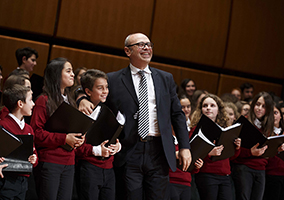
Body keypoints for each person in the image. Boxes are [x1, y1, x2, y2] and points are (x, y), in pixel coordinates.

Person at [78, 33, 191, 199]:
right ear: (127, 51)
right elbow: (86, 86)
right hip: (129, 149)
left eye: (148, 44)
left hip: (159, 150)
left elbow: (177, 115)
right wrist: (81, 98)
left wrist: (184, 147)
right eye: (141, 44)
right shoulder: (113, 79)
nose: (146, 47)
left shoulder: (165, 78)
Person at [30, 57, 85, 200]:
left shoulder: (71, 99)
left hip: (69, 161)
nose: (72, 74)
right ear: (56, 74)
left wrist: (79, 138)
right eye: (68, 71)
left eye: (72, 71)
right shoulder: (44, 100)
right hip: (50, 162)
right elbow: (36, 133)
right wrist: (65, 138)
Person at [0, 84, 37, 199]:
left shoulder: (28, 129)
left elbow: (33, 152)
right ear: (20, 104)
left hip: (23, 181)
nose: (33, 104)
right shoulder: (2, 126)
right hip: (5, 181)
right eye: (31, 100)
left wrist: (34, 158)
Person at [76, 69, 121, 200]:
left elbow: (116, 136)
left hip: (108, 168)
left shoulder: (109, 110)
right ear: (88, 92)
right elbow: (75, 146)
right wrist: (96, 150)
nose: (105, 91)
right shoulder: (81, 113)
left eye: (106, 87)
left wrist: (117, 146)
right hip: (89, 168)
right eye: (100, 88)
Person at [191, 94, 241, 200]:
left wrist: (236, 148)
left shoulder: (225, 129)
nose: (208, 108)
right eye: (205, 106)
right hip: (207, 175)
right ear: (201, 110)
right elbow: (192, 154)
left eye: (212, 105)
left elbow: (231, 157)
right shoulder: (195, 130)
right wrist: (208, 153)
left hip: (225, 175)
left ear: (218, 110)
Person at [231, 91, 274, 200]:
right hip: (244, 167)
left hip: (261, 169)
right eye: (257, 104)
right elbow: (233, 151)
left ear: (268, 109)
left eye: (263, 106)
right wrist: (250, 152)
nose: (259, 108)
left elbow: (267, 154)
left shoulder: (268, 126)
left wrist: (276, 149)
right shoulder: (243, 122)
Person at [263, 104, 284, 200]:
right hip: (270, 174)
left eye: (276, 113)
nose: (273, 116)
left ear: (281, 115)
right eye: (270, 113)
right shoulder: (265, 132)